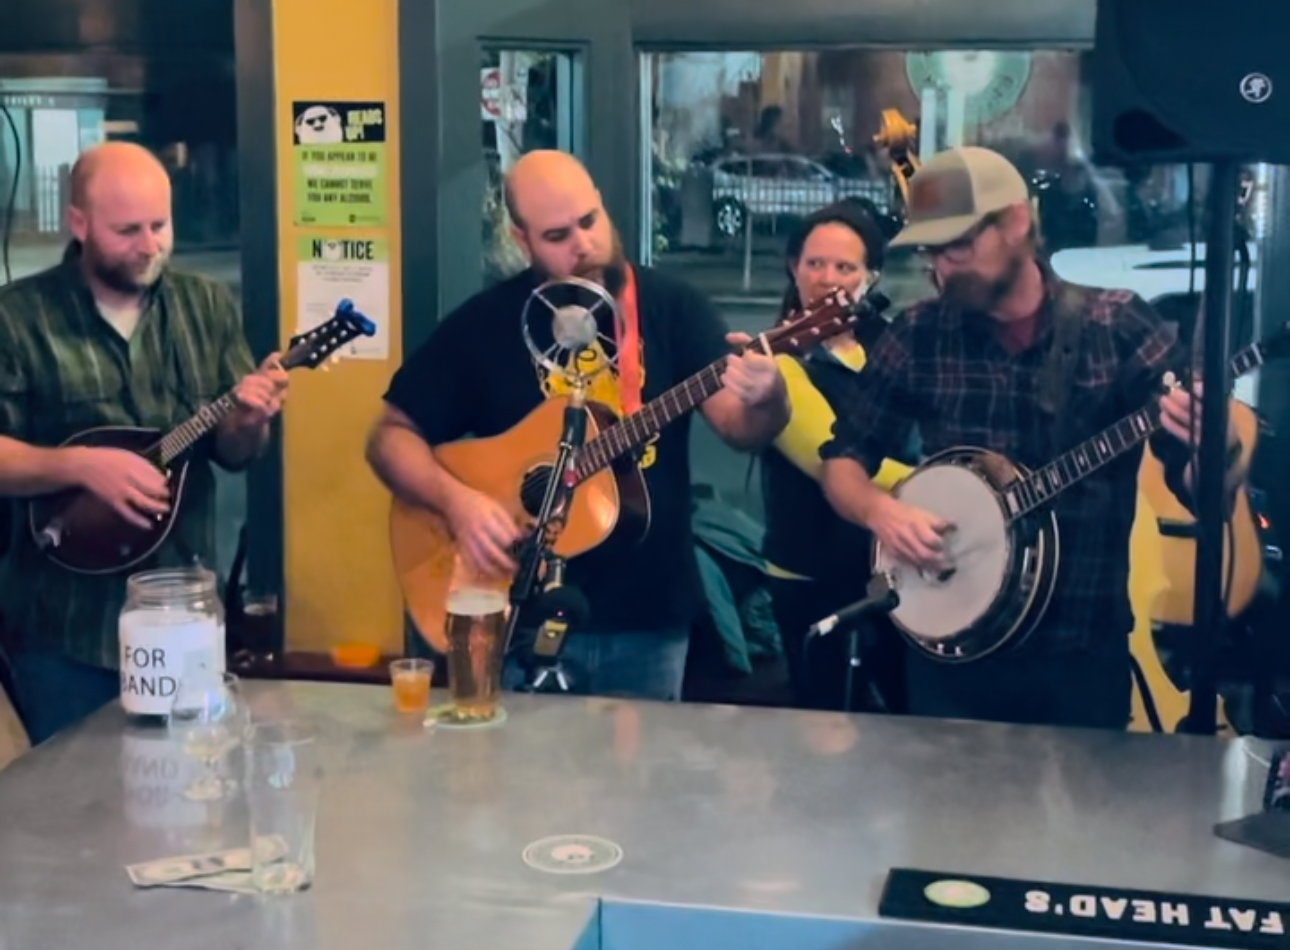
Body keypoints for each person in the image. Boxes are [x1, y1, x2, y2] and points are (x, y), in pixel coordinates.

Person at [819, 146, 1241, 730]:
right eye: (933, 251)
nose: (945, 266)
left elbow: (1201, 486)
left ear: (1017, 221)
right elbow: (843, 460)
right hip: (952, 654)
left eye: (960, 245)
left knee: (1081, 821)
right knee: (949, 821)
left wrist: (1207, 442)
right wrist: (881, 513)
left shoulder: (1115, 327)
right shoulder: (919, 334)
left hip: (1078, 657)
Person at [367, 149, 789, 702]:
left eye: (590, 222)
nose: (582, 245)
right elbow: (388, 438)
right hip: (517, 616)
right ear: (523, 240)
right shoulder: (489, 323)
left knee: (633, 785)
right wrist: (459, 504)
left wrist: (772, 397)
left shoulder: (672, 309)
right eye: (557, 235)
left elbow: (741, 429)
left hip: (648, 618)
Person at [0, 142, 288, 743]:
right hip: (65, 628)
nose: (150, 244)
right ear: (78, 224)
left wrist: (250, 420)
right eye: (127, 230)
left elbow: (234, 455)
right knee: (75, 810)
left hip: (183, 614)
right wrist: (78, 466)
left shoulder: (204, 305)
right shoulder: (18, 318)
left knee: (185, 798)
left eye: (161, 225)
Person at [760, 203, 911, 712]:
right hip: (813, 577)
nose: (828, 279)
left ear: (871, 276)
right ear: (792, 268)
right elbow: (830, 458)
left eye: (845, 268)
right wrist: (956, 490)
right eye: (815, 264)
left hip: (900, 571)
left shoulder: (896, 344)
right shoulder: (777, 362)